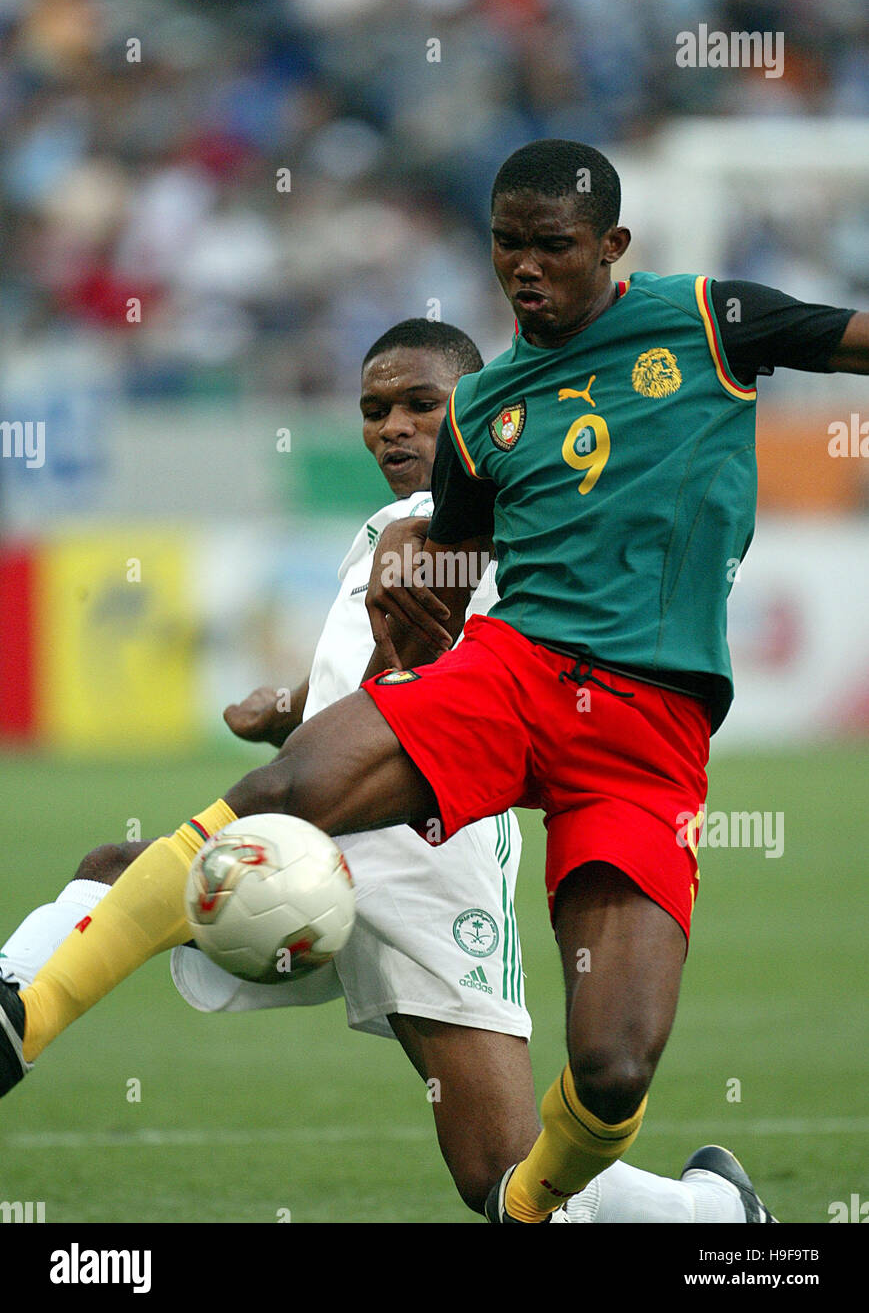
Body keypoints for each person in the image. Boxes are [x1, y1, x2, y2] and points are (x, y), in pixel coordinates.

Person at [8, 137, 861, 1220]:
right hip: (507, 686)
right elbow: (437, 615)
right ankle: (19, 1015)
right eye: (505, 244)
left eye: (550, 245)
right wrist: (384, 619)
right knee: (244, 814)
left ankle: (662, 1214)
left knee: (595, 1083)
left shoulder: (703, 323)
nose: (523, 266)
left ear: (612, 245)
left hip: (609, 758)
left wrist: (424, 579)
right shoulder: (479, 418)